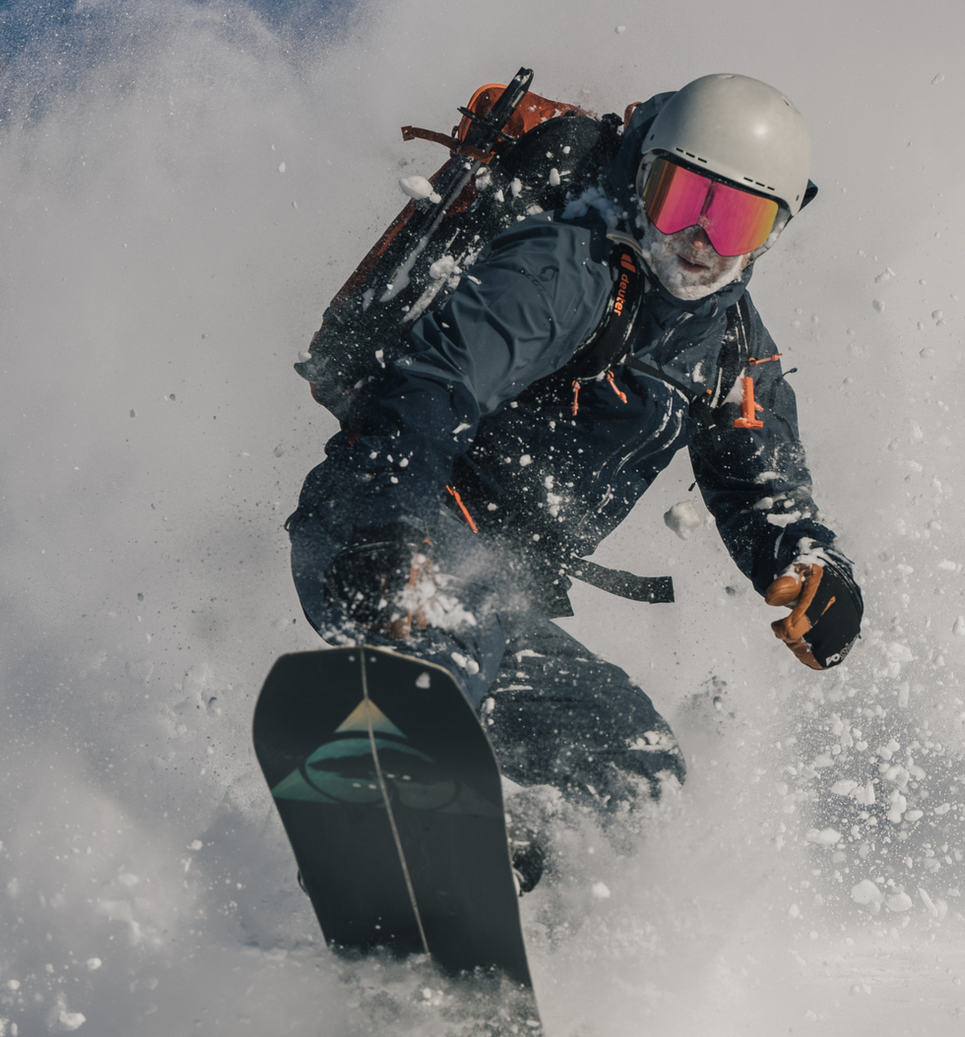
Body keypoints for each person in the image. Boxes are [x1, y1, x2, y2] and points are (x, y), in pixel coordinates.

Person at [284, 73, 863, 884]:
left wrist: (808, 562)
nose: (699, 238)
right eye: (680, 199)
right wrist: (391, 524)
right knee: (451, 635)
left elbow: (758, 474)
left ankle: (516, 905)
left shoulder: (726, 343)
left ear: (771, 233)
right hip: (378, 527)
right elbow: (432, 388)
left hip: (491, 598)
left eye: (734, 219)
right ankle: (385, 816)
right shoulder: (566, 269)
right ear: (642, 173)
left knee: (637, 771)